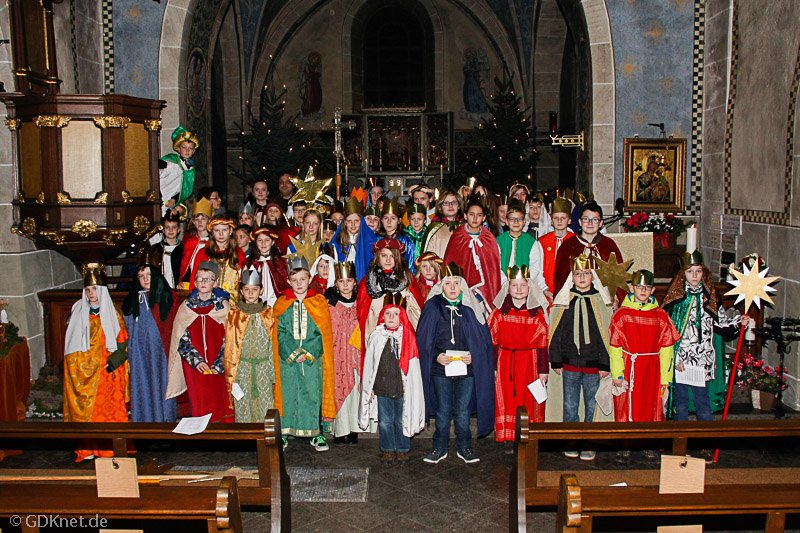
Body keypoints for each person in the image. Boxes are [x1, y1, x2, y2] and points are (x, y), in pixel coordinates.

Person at [417, 263, 495, 464]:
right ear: (441, 285)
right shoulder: (433, 306)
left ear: (462, 285)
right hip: (440, 370)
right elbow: (424, 340)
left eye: (456, 283)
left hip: (466, 370)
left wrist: (474, 355)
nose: (452, 287)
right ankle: (439, 447)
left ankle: (464, 447)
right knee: (443, 411)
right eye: (448, 283)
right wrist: (436, 356)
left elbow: (482, 341)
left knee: (462, 412)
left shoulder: (470, 306)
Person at [662, 251, 744, 422]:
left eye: (698, 271)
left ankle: (705, 436)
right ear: (683, 274)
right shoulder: (676, 299)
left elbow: (721, 324)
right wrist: (675, 357)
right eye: (690, 271)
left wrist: (739, 322)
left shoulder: (710, 298)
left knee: (703, 401)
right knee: (681, 402)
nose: (694, 276)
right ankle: (680, 437)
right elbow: (667, 332)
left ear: (703, 273)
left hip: (702, 358)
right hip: (681, 359)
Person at [548, 255, 613, 460]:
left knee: (591, 406)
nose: (582, 277)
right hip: (570, 365)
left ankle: (589, 442)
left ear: (592, 276)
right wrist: (556, 359)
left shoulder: (601, 302)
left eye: (586, 273)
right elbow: (556, 332)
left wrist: (605, 364)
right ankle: (571, 440)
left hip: (594, 366)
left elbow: (606, 336)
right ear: (572, 277)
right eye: (578, 274)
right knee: (570, 406)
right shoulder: (564, 301)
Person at [63, 264, 129, 462]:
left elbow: (122, 343)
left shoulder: (114, 314)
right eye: (88, 290)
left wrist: (114, 361)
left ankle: (109, 449)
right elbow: (70, 344)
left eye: (94, 289)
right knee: (86, 415)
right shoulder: (78, 312)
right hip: (81, 374)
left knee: (106, 413)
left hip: (105, 373)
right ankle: (87, 449)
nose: (91, 293)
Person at [271, 256, 335, 450]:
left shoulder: (318, 301)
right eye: (294, 280)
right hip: (288, 360)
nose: (299, 284)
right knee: (288, 393)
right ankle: (284, 432)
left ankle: (316, 433)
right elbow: (279, 331)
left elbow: (322, 332)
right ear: (288, 281)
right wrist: (293, 352)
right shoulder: (282, 303)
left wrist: (307, 352)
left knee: (312, 393)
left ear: (309, 279)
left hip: (312, 360)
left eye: (303, 279)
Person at [359, 293, 425, 464]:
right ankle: (387, 448)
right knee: (385, 421)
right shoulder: (376, 337)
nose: (391, 317)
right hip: (382, 389)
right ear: (382, 316)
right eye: (388, 313)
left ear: (402, 316)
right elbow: (371, 366)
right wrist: (370, 387)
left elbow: (413, 368)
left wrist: (411, 387)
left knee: (401, 420)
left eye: (396, 314)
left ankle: (402, 449)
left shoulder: (408, 337)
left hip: (402, 388)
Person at [488, 266, 550, 445]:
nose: (519, 289)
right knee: (507, 399)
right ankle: (508, 436)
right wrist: (493, 367)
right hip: (505, 362)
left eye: (523, 285)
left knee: (528, 399)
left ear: (529, 288)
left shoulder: (537, 315)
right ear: (508, 288)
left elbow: (543, 344)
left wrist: (543, 370)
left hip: (530, 363)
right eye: (514, 285)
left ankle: (527, 435)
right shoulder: (499, 314)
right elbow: (492, 342)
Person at [609, 270, 680, 425]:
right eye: (639, 287)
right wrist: (617, 374)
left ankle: (650, 438)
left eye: (647, 287)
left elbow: (667, 349)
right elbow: (615, 347)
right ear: (632, 288)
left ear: (652, 290)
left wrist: (665, 379)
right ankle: (626, 438)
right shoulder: (622, 315)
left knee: (651, 406)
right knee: (628, 407)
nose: (643, 290)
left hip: (652, 370)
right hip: (629, 368)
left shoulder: (660, 316)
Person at [167, 262, 234, 423]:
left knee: (221, 400)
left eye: (208, 279)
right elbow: (181, 339)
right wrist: (197, 362)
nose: (203, 282)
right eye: (200, 279)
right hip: (195, 367)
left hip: (219, 365)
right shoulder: (185, 308)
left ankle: (224, 432)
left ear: (215, 283)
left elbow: (231, 338)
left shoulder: (223, 307)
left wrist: (219, 364)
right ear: (195, 283)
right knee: (200, 401)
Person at [122, 264, 179, 423]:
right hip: (139, 353)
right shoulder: (133, 300)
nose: (146, 279)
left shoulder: (166, 297)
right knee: (143, 385)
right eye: (141, 276)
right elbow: (127, 327)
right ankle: (144, 419)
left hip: (160, 352)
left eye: (149, 275)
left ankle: (165, 419)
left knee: (161, 383)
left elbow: (173, 326)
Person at [223, 266, 277, 423]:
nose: (251, 293)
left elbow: (273, 345)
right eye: (247, 289)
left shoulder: (269, 313)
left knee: (266, 407)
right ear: (241, 291)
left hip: (264, 369)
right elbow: (230, 346)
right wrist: (233, 375)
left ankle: (266, 437)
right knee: (244, 407)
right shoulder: (235, 314)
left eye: (255, 289)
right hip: (242, 370)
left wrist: (272, 375)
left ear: (261, 290)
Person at [356, 238, 423, 354]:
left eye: (392, 256)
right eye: (384, 256)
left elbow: (417, 311)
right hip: (376, 333)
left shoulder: (407, 279)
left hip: (402, 334)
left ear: (398, 258)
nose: (388, 260)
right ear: (378, 257)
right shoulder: (368, 281)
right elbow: (363, 312)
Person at [552, 200, 624, 301]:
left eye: (595, 219)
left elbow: (617, 277)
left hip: (604, 300)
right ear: (579, 222)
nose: (590, 223)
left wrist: (616, 298)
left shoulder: (608, 245)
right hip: (574, 300)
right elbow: (561, 279)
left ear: (601, 223)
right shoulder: (568, 246)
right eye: (586, 219)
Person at [443, 196, 502, 312]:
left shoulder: (489, 239)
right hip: (461, 292)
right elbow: (449, 265)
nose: (475, 218)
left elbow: (494, 269)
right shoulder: (457, 237)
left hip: (484, 294)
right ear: (465, 216)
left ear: (484, 218)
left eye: (479, 215)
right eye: (471, 214)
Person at [326, 262, 363, 444]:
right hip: (337, 354)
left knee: (355, 390)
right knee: (338, 388)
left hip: (356, 352)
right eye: (341, 281)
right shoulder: (329, 304)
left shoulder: (361, 303)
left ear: (355, 282)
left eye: (349, 281)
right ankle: (340, 430)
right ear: (336, 284)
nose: (345, 285)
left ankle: (354, 429)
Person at [529, 197, 574, 299]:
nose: (559, 221)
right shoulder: (542, 242)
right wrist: (544, 289)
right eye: (556, 218)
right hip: (547, 292)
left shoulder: (575, 241)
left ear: (569, 220)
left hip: (570, 292)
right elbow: (537, 269)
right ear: (551, 220)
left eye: (563, 218)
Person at [190, 216, 246, 297]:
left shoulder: (238, 254)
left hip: (232, 301)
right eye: (217, 230)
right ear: (212, 232)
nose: (221, 234)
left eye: (224, 230)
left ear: (230, 231)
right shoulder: (203, 253)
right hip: (208, 300)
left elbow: (244, 281)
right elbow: (194, 279)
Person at [331, 197, 377, 280]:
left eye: (356, 221)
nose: (353, 224)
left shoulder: (370, 240)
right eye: (349, 221)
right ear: (345, 223)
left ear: (361, 221)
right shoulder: (338, 241)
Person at [159, 126, 199, 217]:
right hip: (160, 196)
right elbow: (158, 166)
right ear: (178, 148)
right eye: (184, 147)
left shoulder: (191, 170)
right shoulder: (172, 161)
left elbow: (185, 191)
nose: (187, 151)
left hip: (170, 202)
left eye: (190, 148)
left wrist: (174, 200)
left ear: (194, 151)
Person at [177, 197, 213, 289]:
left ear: (209, 221)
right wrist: (181, 280)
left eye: (203, 219)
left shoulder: (213, 243)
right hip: (190, 283)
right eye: (197, 219)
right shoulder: (189, 242)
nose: (199, 222)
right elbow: (184, 265)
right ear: (193, 222)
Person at [249, 226, 289, 305]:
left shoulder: (281, 263)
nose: (263, 243)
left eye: (267, 240)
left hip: (278, 302)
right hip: (257, 303)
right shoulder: (250, 263)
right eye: (260, 240)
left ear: (273, 242)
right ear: (255, 242)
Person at [142, 210, 183, 289]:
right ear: (163, 230)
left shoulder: (184, 249)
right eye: (167, 227)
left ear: (178, 230)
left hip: (178, 289)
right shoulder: (154, 250)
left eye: (174, 227)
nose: (171, 230)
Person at [422, 190, 463, 258]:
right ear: (441, 207)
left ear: (459, 205)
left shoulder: (465, 227)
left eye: (454, 202)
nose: (450, 206)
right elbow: (426, 256)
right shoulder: (433, 228)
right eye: (446, 203)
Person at [497, 200, 536, 272]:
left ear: (524, 221)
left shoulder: (531, 242)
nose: (516, 222)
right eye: (512, 219)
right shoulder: (499, 241)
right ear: (507, 222)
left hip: (527, 278)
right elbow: (496, 266)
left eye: (519, 219)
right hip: (503, 278)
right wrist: (505, 279)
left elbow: (535, 267)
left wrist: (525, 278)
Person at [380, 198, 416, 273]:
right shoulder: (378, 240)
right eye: (385, 218)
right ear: (381, 220)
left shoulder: (406, 241)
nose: (389, 222)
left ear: (399, 220)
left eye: (393, 218)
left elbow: (410, 267)